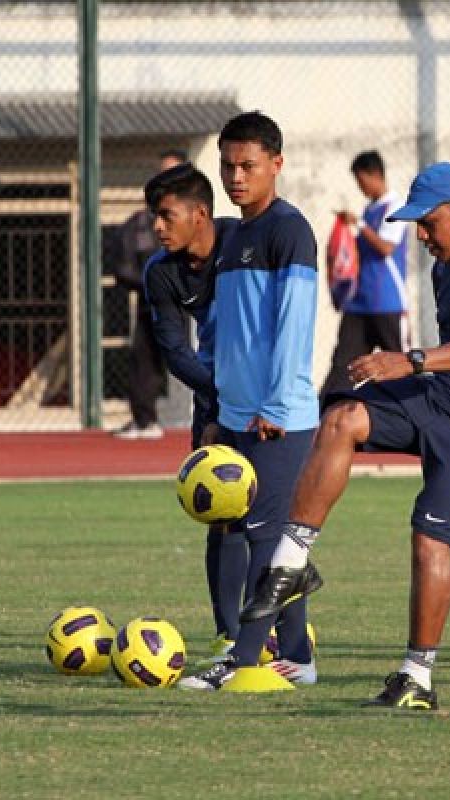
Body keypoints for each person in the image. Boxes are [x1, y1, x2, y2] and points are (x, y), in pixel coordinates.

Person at [236, 161, 450, 710]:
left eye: (428, 224)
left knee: (429, 531)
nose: (421, 236)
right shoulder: (444, 267)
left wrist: (410, 361)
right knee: (342, 415)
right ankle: (291, 562)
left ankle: (416, 678)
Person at [180, 112, 321, 690]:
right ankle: (298, 657)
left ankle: (239, 660)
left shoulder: (291, 231)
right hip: (235, 416)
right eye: (228, 166)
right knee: (255, 534)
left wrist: (273, 404)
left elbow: (294, 326)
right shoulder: (231, 237)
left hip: (278, 417)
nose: (236, 177)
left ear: (276, 165)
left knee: (267, 540)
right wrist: (216, 413)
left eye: (248, 166)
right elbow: (223, 335)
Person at [142, 163, 248, 658]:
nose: (157, 228)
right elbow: (175, 351)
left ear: (200, 214)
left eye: (166, 216)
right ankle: (230, 636)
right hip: (216, 395)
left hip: (267, 395)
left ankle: (279, 630)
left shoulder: (245, 243)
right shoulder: (159, 272)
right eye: (154, 218)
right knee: (221, 508)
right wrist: (220, 397)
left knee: (274, 516)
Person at [321, 151, 410, 398]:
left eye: (361, 180)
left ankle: (412, 417)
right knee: (343, 366)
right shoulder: (370, 209)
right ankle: (324, 415)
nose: (360, 187)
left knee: (402, 364)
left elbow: (385, 247)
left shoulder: (395, 207)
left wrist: (358, 224)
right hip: (359, 303)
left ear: (375, 175)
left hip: (387, 302)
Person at [112, 149, 187, 439]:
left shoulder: (198, 217)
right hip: (155, 303)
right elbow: (125, 265)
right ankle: (145, 420)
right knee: (144, 358)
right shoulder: (143, 222)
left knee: (197, 360)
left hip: (193, 303)